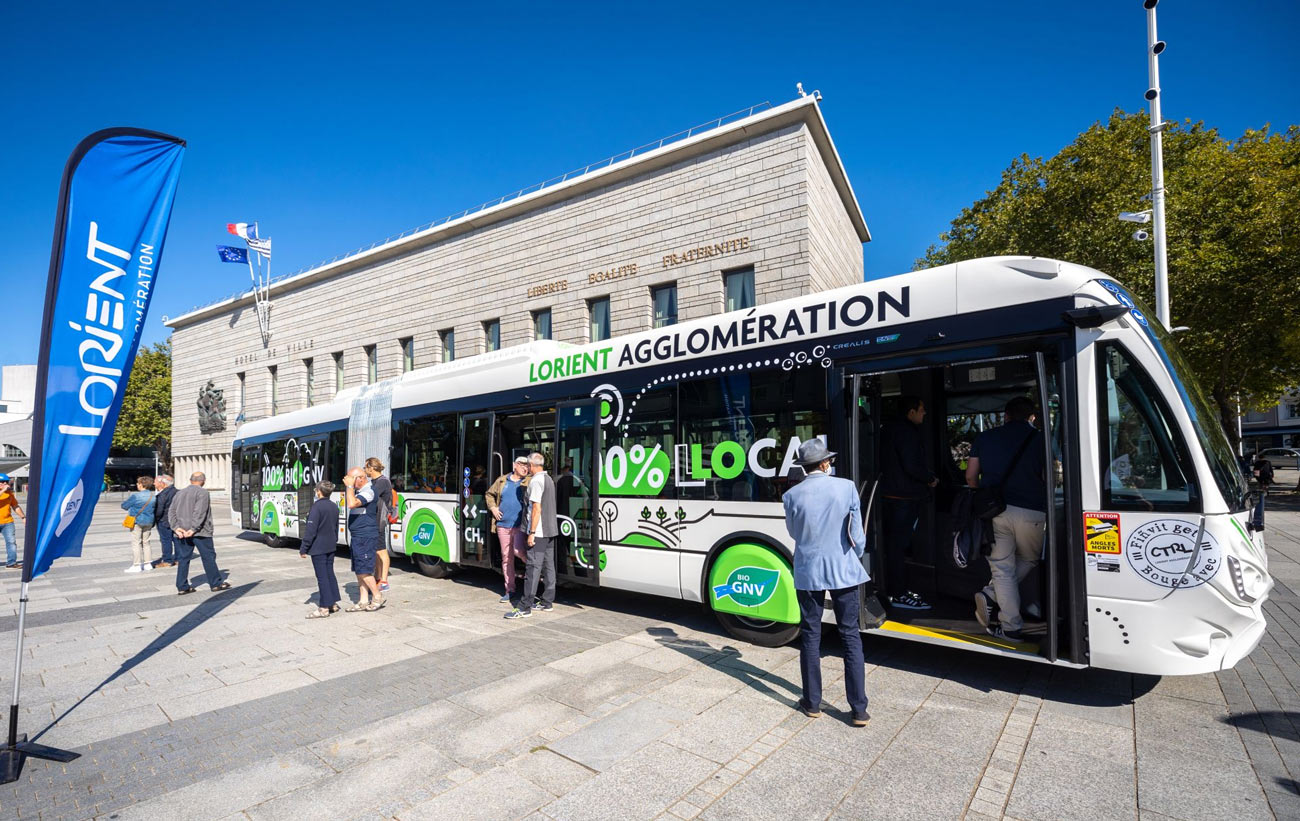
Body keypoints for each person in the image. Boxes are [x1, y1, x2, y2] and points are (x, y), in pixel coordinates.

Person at [783, 439, 870, 728]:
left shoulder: (791, 496)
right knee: (849, 636)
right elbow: (857, 537)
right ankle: (858, 710)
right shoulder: (846, 487)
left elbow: (795, 533)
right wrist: (852, 557)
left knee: (810, 634)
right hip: (844, 569)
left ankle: (813, 703)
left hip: (808, 571)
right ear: (824, 464)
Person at [965, 396, 1046, 642]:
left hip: (996, 511)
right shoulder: (1042, 438)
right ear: (1032, 417)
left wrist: (985, 493)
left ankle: (1011, 627)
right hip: (1033, 511)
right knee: (1030, 559)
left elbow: (970, 477)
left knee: (1002, 569)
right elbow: (1051, 475)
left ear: (1006, 415)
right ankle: (989, 594)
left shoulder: (985, 437)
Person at [879, 395, 937, 610]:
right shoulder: (906, 432)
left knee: (893, 546)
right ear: (910, 412)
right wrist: (930, 479)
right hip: (904, 498)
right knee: (897, 547)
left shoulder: (887, 430)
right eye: (921, 409)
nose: (924, 413)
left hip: (891, 496)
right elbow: (912, 465)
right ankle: (898, 593)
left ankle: (896, 589)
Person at [505, 452, 556, 619]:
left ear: (533, 465)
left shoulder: (536, 482)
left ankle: (524, 607)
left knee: (533, 568)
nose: (526, 467)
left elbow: (536, 509)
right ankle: (547, 601)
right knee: (548, 566)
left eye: (528, 465)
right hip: (550, 530)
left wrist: (532, 533)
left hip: (539, 531)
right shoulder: (548, 479)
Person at [170, 472, 231, 594]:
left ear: (190, 480)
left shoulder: (179, 493)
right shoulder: (202, 492)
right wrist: (193, 529)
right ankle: (216, 583)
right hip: (200, 532)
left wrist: (176, 528)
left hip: (182, 531)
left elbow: (171, 511)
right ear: (203, 481)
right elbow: (200, 512)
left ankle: (182, 586)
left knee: (183, 559)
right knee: (208, 557)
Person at [486, 455, 531, 604]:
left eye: (527, 465)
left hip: (520, 526)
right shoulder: (502, 480)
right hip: (503, 526)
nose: (525, 467)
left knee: (519, 551)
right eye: (522, 464)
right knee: (507, 557)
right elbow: (489, 494)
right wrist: (493, 508)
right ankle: (510, 589)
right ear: (514, 465)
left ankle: (535, 576)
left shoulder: (529, 481)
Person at [342, 467, 385, 611]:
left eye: (351, 478)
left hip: (365, 537)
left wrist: (349, 487)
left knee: (364, 570)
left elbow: (352, 504)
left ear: (361, 478)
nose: (348, 481)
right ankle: (363, 600)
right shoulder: (360, 491)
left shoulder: (369, 491)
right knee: (359, 569)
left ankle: (377, 596)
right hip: (358, 536)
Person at [300, 480, 342, 618]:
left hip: (318, 546)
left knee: (322, 577)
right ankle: (332, 603)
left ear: (319, 491)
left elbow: (311, 530)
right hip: (330, 545)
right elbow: (335, 527)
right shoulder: (334, 506)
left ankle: (324, 607)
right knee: (329, 573)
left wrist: (304, 547)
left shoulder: (316, 507)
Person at [364, 457, 394, 593]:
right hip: (374, 520)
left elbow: (370, 496)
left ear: (371, 468)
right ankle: (377, 578)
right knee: (376, 551)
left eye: (365, 468)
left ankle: (384, 581)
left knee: (381, 551)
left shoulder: (382, 482)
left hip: (379, 520)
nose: (365, 470)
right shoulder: (376, 481)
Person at [120, 476, 157, 574]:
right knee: (146, 542)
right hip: (149, 521)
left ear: (141, 484)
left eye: (138, 483)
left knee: (136, 543)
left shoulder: (136, 496)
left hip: (137, 522)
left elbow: (124, 506)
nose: (137, 484)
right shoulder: (153, 496)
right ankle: (148, 564)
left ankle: (137, 565)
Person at [0, 473, 25, 569]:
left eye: (6, 482)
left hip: (7, 522)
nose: (5, 484)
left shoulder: (9, 493)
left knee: (11, 542)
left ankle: (11, 562)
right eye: (2, 482)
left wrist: (23, 517)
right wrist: (3, 490)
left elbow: (15, 506)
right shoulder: (4, 491)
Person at [153, 474, 177, 568]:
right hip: (175, 520)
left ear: (162, 483)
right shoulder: (177, 492)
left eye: (156, 482)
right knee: (176, 540)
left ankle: (167, 560)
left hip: (164, 521)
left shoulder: (163, 494)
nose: (154, 484)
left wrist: (155, 519)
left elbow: (159, 510)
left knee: (165, 541)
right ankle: (178, 559)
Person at [1252, 453, 1275, 529]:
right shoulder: (1268, 462)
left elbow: (1255, 469)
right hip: (1266, 475)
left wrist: (1255, 475)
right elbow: (1271, 469)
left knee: (1262, 483)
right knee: (1265, 483)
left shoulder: (1258, 462)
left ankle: (1263, 491)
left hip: (1261, 475)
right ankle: (1265, 491)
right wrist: (1272, 474)